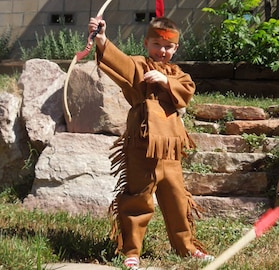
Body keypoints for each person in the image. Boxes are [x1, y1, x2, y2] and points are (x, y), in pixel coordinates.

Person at [88, 16, 214, 269]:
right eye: (157, 44)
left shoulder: (179, 75)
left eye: (168, 47)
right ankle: (131, 251)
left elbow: (186, 91)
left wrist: (165, 81)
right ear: (146, 43)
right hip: (142, 147)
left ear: (176, 48)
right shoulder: (139, 66)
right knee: (138, 198)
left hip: (169, 149)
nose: (162, 51)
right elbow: (120, 63)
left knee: (178, 199)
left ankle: (186, 248)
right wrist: (101, 39)